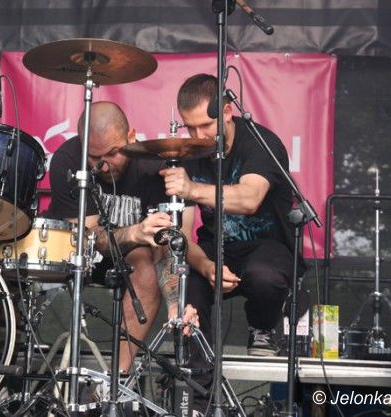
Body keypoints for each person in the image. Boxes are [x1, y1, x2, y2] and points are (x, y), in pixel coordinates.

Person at [45, 101, 197, 372]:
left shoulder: (155, 166)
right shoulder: (68, 159)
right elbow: (84, 239)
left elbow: (169, 248)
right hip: (77, 255)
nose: (104, 166)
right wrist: (136, 231)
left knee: (145, 261)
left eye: (113, 153)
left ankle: (117, 378)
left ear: (131, 136)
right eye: (95, 157)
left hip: (134, 258)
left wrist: (176, 304)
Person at [159, 73, 297, 361]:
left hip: (267, 246)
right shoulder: (189, 154)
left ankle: (262, 327)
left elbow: (250, 199)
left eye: (206, 125)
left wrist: (191, 188)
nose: (198, 136)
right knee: (187, 282)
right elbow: (181, 235)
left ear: (226, 112)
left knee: (265, 275)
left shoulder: (260, 143)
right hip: (214, 248)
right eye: (190, 127)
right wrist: (207, 266)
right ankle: (199, 376)